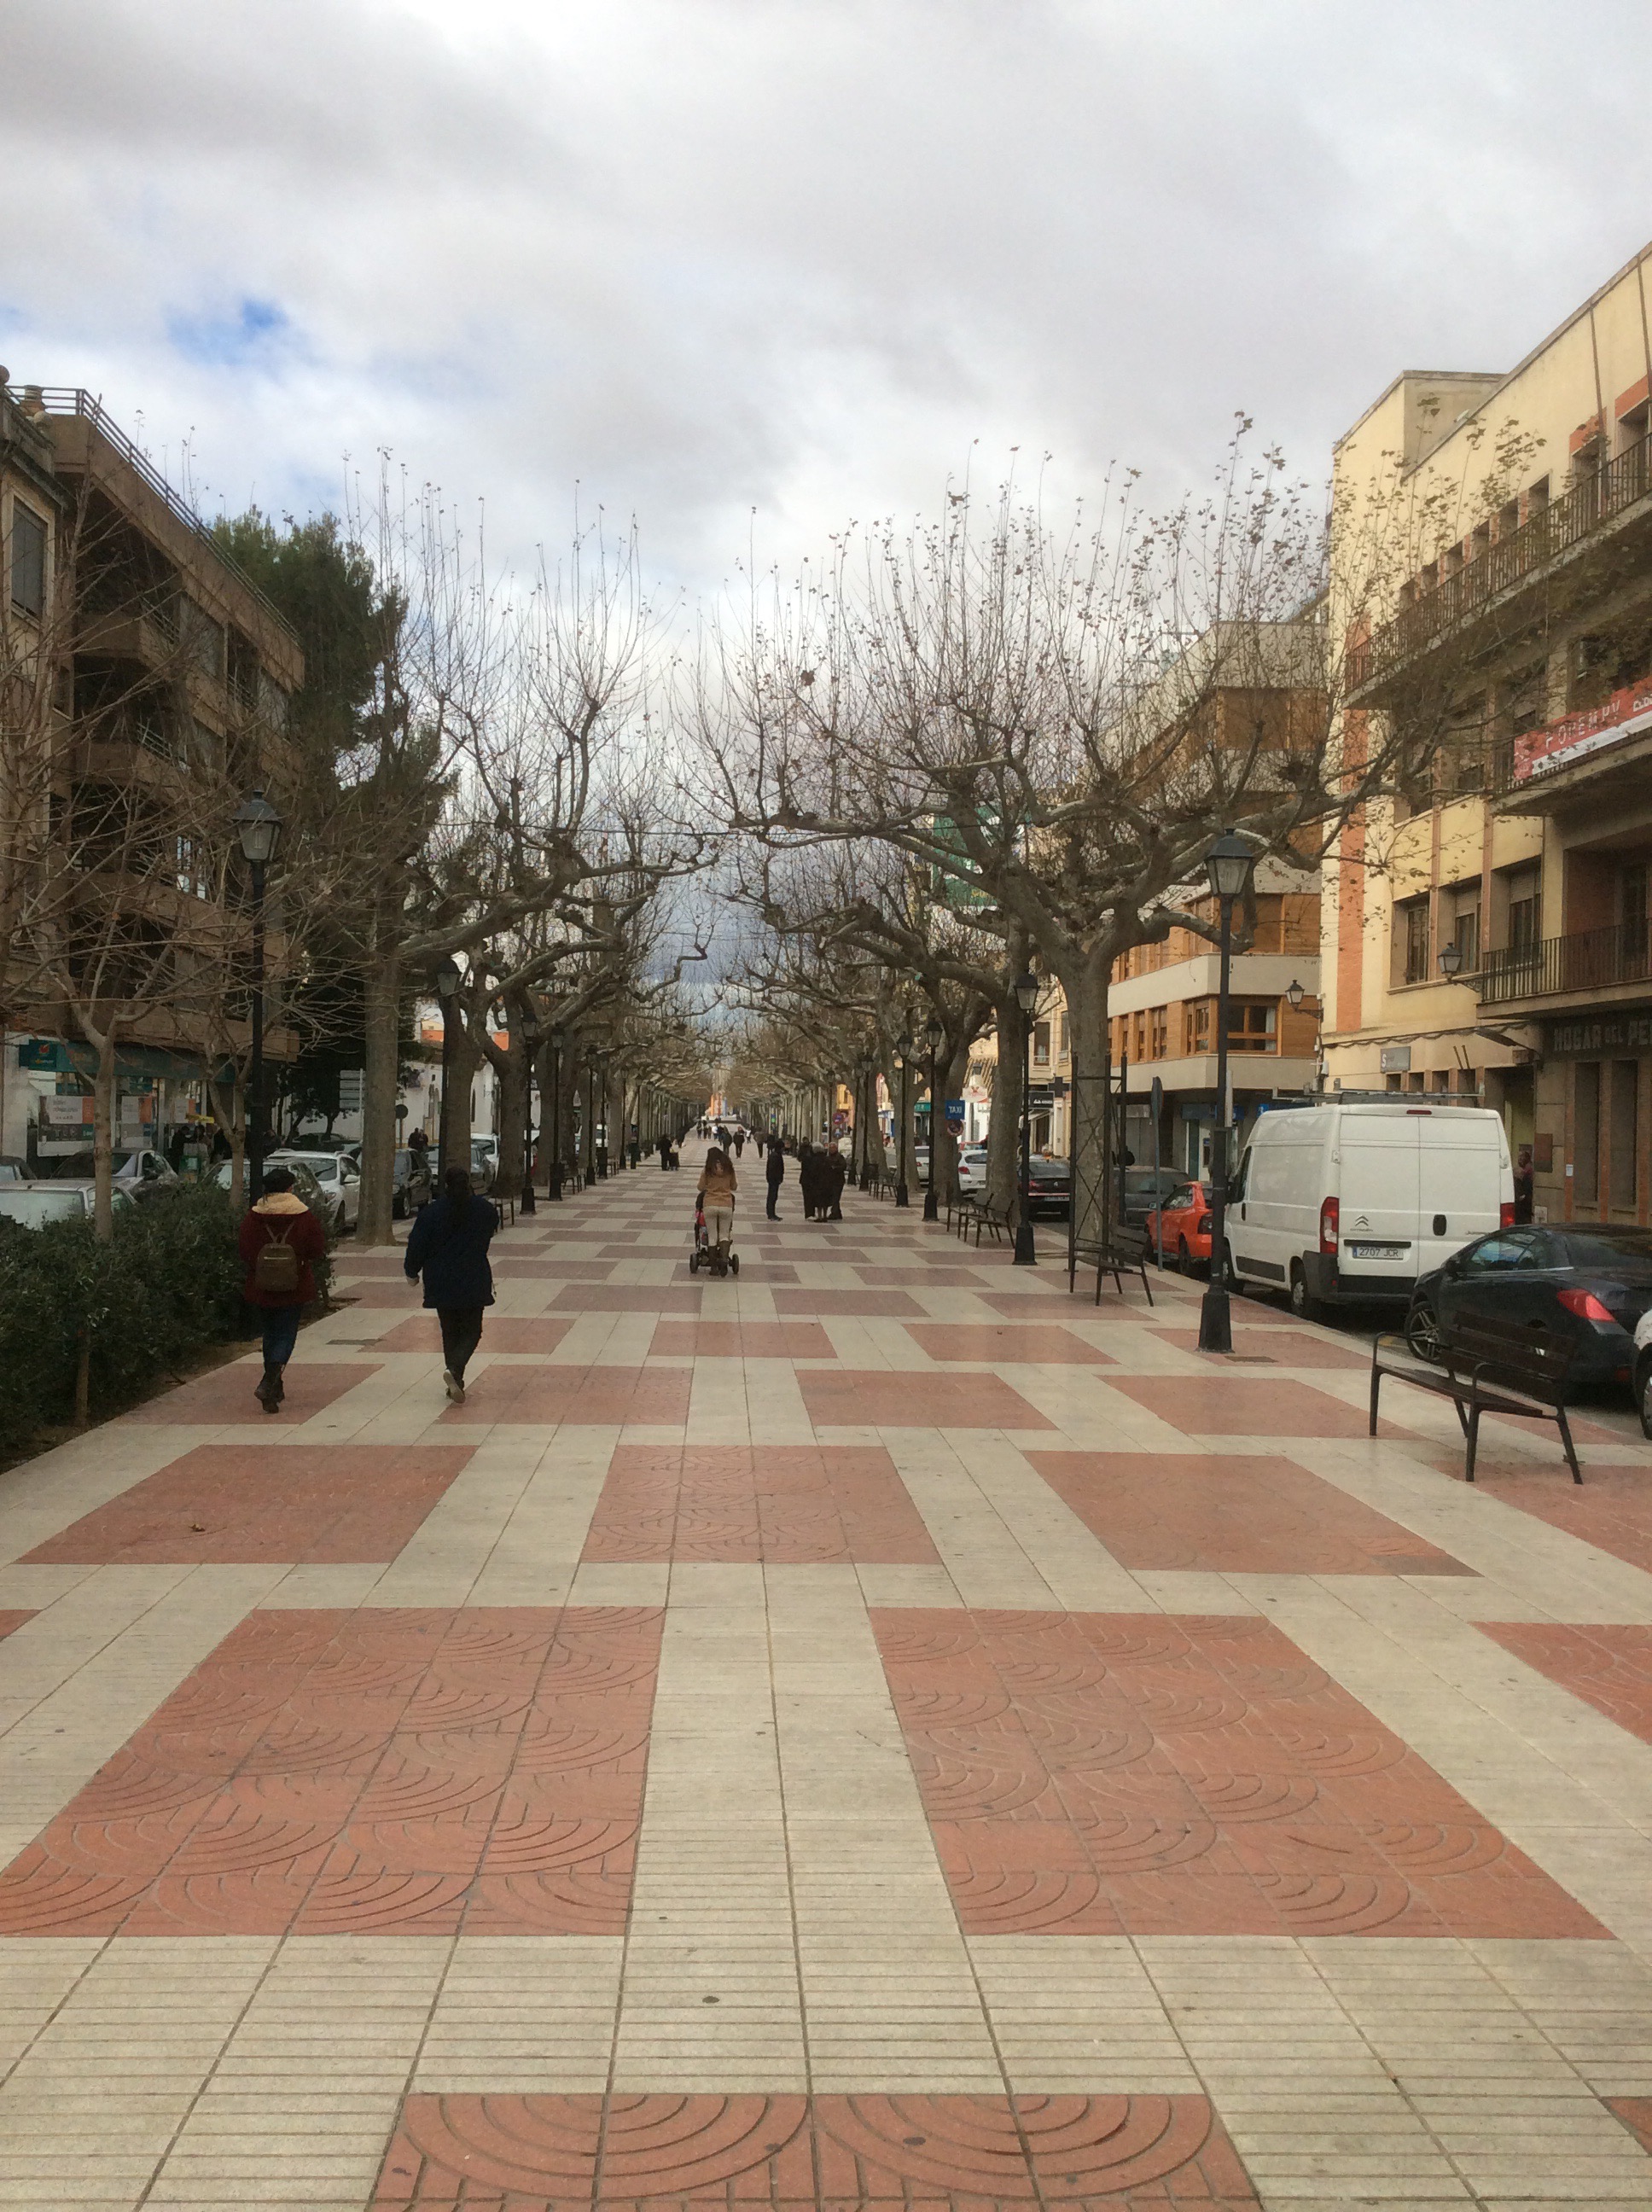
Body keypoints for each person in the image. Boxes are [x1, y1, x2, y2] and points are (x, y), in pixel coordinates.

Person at [404, 1165, 501, 1404]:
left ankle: (455, 1377)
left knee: (450, 1331)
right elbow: (490, 1230)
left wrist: (411, 1271)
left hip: (440, 1279)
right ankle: (455, 1370)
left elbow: (417, 1244)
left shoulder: (431, 1213)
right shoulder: (484, 1210)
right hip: (473, 1276)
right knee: (472, 1330)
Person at [238, 1165, 327, 1413]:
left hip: (262, 1285)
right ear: (290, 1188)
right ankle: (270, 1381)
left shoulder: (254, 1216)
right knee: (286, 1334)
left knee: (270, 1333)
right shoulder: (303, 1216)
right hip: (293, 1284)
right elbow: (316, 1248)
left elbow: (244, 1248)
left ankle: (274, 1387)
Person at [697, 1145, 738, 1265]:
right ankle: (724, 1261)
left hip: (710, 1204)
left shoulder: (707, 1170)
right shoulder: (729, 1169)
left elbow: (700, 1187)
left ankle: (714, 1266)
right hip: (726, 1204)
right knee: (724, 1234)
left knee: (712, 1235)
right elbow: (734, 1186)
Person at [765, 1133, 785, 1219]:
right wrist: (776, 1178)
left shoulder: (775, 1155)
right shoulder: (775, 1156)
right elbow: (773, 1169)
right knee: (772, 1196)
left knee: (773, 1196)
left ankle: (771, 1213)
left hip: (774, 1179)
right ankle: (771, 1214)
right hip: (774, 1180)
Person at [825, 1141, 847, 1221]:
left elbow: (843, 1166)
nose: (831, 1150)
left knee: (836, 1197)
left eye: (833, 1148)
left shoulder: (839, 1157)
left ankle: (834, 1213)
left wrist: (835, 1168)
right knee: (834, 1197)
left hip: (838, 1180)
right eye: (830, 1148)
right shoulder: (828, 1157)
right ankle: (837, 1213)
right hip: (831, 1180)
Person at [1514, 1144, 1535, 1224]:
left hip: (1525, 1205)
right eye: (1519, 1157)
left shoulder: (1527, 1170)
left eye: (1521, 1157)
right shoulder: (1524, 1169)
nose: (1520, 1159)